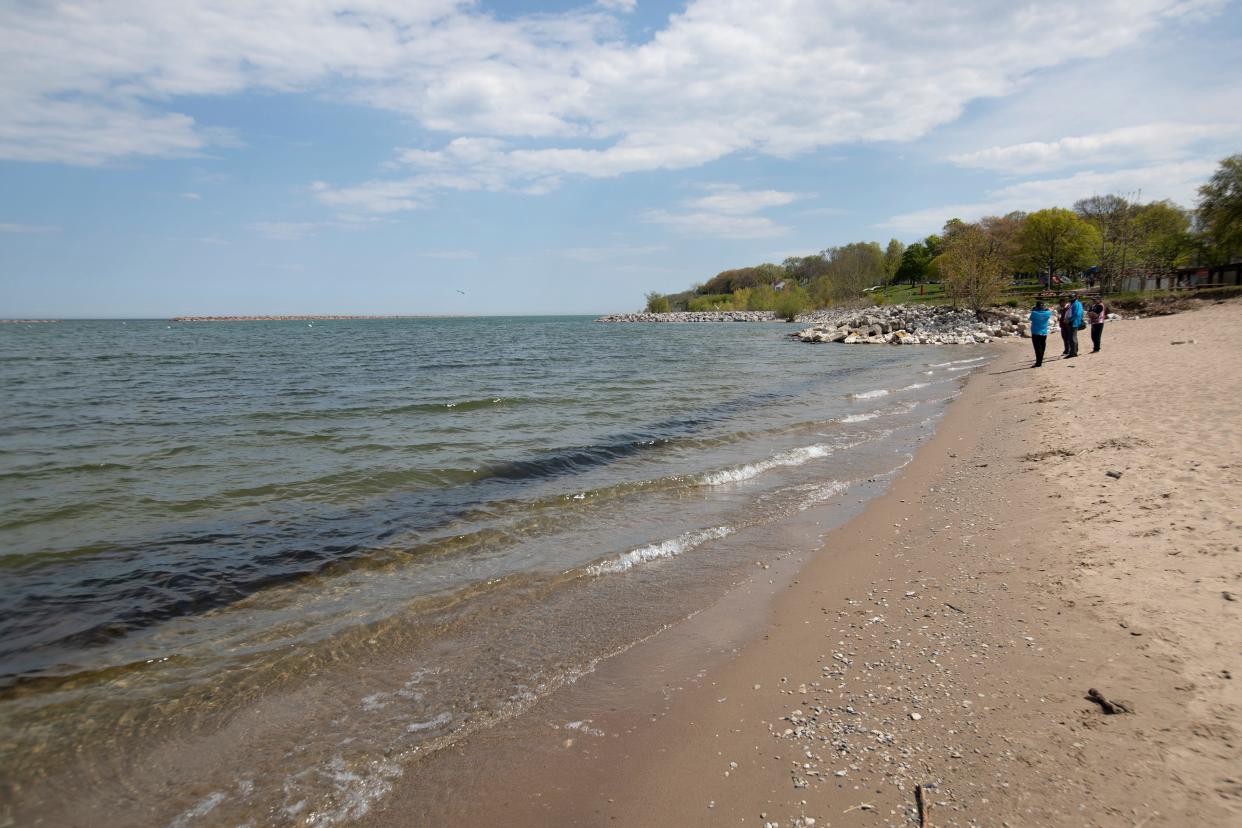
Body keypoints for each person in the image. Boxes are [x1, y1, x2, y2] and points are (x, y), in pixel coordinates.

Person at [1029, 300, 1053, 367]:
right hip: (1044, 332)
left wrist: (1034, 309)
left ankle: (1038, 362)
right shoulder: (1047, 313)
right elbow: (1048, 310)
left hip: (1035, 332)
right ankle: (1040, 360)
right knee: (1042, 347)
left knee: (1037, 348)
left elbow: (1030, 319)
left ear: (1037, 306)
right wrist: (1045, 308)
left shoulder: (1034, 313)